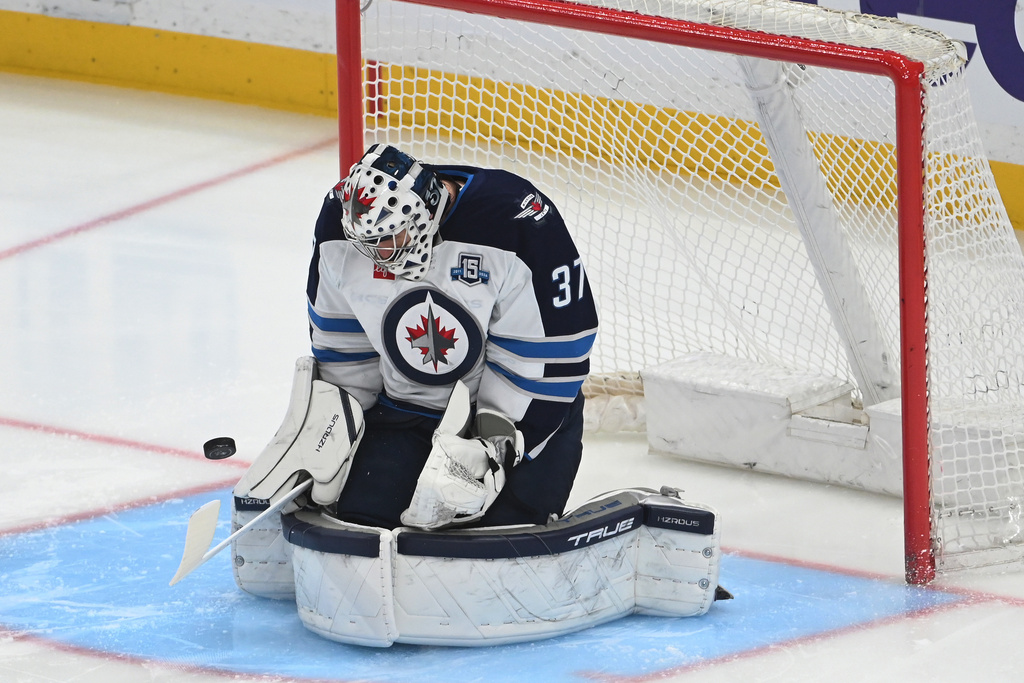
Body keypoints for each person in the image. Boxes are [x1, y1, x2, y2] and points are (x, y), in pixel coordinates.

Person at [304, 143, 599, 530]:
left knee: (499, 536)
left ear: (424, 214)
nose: (375, 254)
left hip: (525, 422)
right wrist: (339, 428)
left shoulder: (515, 220)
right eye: (366, 243)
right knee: (361, 522)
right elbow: (344, 345)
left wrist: (494, 446)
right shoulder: (344, 227)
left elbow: (552, 355)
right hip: (406, 412)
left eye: (389, 239)